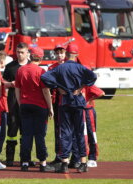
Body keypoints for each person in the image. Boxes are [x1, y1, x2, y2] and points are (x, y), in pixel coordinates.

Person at [41, 44, 97, 174]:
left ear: (66, 54)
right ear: (76, 55)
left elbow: (44, 78)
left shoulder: (60, 68)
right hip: (78, 102)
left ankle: (64, 163)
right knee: (79, 132)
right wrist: (82, 86)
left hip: (65, 102)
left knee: (65, 132)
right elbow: (93, 77)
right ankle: (83, 162)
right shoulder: (81, 68)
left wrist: (57, 87)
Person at [15, 46, 55, 172]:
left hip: (25, 105)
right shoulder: (41, 72)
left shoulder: (21, 70)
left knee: (26, 135)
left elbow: (17, 88)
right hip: (39, 106)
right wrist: (50, 107)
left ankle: (25, 163)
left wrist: (20, 102)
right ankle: (42, 163)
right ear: (41, 58)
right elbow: (45, 91)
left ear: (30, 56)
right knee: (39, 135)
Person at [3, 42, 30, 167]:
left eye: (22, 52)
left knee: (26, 132)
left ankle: (25, 159)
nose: (19, 55)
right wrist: (10, 84)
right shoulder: (10, 67)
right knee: (12, 131)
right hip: (13, 103)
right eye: (18, 52)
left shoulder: (31, 66)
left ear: (27, 53)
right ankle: (9, 158)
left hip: (27, 103)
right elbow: (3, 82)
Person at [48, 44, 67, 165]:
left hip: (68, 101)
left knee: (68, 129)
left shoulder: (69, 66)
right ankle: (59, 155)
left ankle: (70, 156)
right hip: (56, 102)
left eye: (62, 52)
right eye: (57, 53)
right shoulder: (52, 68)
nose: (59, 55)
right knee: (58, 130)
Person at [82, 85, 105, 167]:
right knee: (81, 135)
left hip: (88, 111)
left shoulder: (87, 85)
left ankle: (92, 158)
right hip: (79, 111)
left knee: (91, 134)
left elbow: (101, 93)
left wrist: (89, 99)